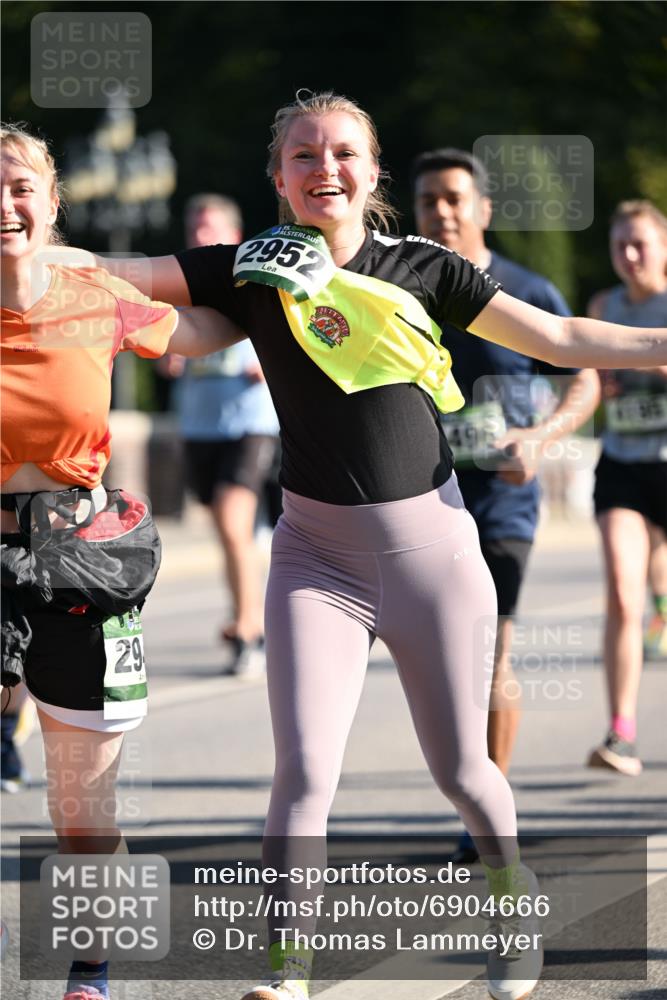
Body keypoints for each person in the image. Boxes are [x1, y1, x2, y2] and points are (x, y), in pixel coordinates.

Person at [97, 91, 667, 1000]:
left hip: (433, 558)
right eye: (303, 155)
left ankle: (508, 908)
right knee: (304, 773)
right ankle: (287, 974)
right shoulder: (252, 268)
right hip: (313, 562)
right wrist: (42, 260)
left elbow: (559, 337)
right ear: (277, 178)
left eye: (343, 153)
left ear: (372, 171)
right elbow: (134, 279)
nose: (324, 168)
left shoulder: (424, 268)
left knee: (464, 773)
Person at [0, 122, 242, 1000]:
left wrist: (295, 301)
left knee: (80, 815)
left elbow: (206, 331)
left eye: (20, 187)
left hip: (78, 564)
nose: (4, 205)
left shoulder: (94, 293)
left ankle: (91, 970)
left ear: (53, 204)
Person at [411, 148, 599, 863]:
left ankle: (485, 816)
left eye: (455, 198)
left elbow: (579, 373)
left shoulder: (521, 289)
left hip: (500, 506)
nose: (442, 211)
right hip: (419, 503)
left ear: (483, 209)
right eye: (429, 200)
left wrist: (541, 435)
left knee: (489, 658)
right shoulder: (398, 291)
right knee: (441, 665)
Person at [175, 193, 280, 675]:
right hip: (199, 426)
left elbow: (295, 334)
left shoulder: (253, 281)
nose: (201, 237)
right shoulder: (177, 285)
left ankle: (249, 631)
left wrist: (269, 359)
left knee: (232, 521)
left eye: (210, 228)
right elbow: (160, 350)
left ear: (234, 236)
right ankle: (255, 599)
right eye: (195, 228)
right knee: (226, 529)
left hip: (250, 425)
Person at [586, 200, 667, 776]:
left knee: (656, 569)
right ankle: (621, 733)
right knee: (620, 588)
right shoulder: (602, 306)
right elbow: (587, 379)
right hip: (623, 465)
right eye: (620, 246)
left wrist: (650, 362)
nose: (630, 255)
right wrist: (600, 386)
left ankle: (663, 605)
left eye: (640, 243)